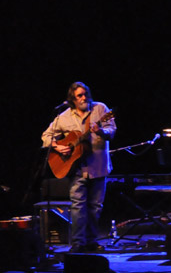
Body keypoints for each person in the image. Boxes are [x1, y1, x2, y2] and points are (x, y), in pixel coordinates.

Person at [41, 82, 116, 253]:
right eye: (79, 96)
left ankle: (91, 241)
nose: (83, 98)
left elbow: (111, 132)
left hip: (98, 165)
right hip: (76, 168)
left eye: (85, 94)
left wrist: (100, 131)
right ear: (72, 100)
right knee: (78, 206)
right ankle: (77, 244)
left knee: (95, 207)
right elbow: (45, 136)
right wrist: (57, 146)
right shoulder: (63, 116)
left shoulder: (101, 109)